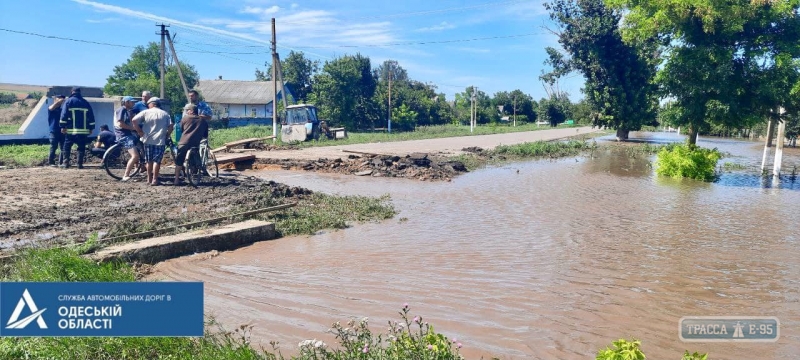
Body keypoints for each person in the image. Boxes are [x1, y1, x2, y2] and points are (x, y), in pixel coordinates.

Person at [131, 97, 172, 186]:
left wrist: (140, 132)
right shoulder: (165, 114)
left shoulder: (146, 112)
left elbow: (134, 120)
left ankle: (148, 179)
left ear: (151, 104)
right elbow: (171, 126)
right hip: (160, 140)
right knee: (157, 161)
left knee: (149, 160)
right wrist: (167, 135)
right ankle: (154, 179)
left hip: (147, 140)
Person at [59, 87, 95, 169]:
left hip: (71, 130)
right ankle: (79, 164)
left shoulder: (68, 101)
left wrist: (62, 126)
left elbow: (64, 114)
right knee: (81, 147)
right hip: (83, 131)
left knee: (67, 147)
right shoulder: (85, 102)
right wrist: (91, 128)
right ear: (80, 92)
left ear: (72, 92)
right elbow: (91, 116)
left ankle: (66, 164)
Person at [174, 103, 209, 185]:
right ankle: (194, 175)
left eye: (187, 110)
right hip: (195, 144)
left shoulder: (185, 118)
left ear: (191, 111)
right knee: (195, 160)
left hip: (184, 142)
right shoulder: (202, 121)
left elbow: (182, 129)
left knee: (179, 161)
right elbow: (205, 135)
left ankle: (176, 180)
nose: (186, 112)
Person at [114, 95, 143, 181]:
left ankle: (138, 168)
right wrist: (133, 128)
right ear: (126, 102)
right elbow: (121, 124)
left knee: (139, 146)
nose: (133, 103)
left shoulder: (127, 111)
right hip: (124, 135)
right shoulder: (121, 110)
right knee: (135, 156)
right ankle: (126, 175)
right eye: (132, 102)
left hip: (128, 134)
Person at [47, 95, 66, 166]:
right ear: (55, 99)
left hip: (62, 131)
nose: (61, 101)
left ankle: (61, 162)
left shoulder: (62, 110)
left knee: (63, 147)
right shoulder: (51, 108)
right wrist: (59, 101)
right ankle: (51, 162)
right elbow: (53, 107)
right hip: (54, 131)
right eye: (59, 99)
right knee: (53, 147)